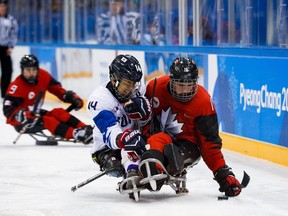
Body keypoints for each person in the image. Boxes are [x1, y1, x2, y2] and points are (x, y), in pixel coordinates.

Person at [140, 57, 242, 197]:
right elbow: (142, 118)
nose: (185, 90)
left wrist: (222, 173)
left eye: (189, 85)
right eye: (180, 85)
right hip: (157, 138)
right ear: (171, 81)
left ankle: (156, 168)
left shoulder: (204, 103)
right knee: (152, 140)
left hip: (187, 146)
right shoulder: (154, 88)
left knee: (172, 155)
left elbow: (210, 143)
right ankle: (148, 167)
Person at [86, 54, 151, 199]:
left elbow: (148, 122)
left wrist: (146, 113)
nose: (131, 89)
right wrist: (124, 138)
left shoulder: (137, 91)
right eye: (127, 84)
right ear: (114, 79)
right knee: (129, 144)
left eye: (134, 83)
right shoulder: (99, 99)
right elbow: (109, 132)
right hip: (106, 150)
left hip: (135, 140)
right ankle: (132, 173)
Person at [3, 54, 93, 144]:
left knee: (59, 112)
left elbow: (56, 89)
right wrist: (22, 114)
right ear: (22, 70)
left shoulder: (43, 76)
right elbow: (7, 110)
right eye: (28, 70)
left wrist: (68, 97)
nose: (31, 73)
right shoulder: (16, 87)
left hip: (37, 113)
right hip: (22, 122)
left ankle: (87, 130)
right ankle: (76, 134)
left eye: (34, 70)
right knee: (47, 120)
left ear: (37, 69)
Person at [0, 0, 18, 99]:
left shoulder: (11, 20)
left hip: (5, 47)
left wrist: (11, 46)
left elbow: (14, 34)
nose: (2, 8)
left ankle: (4, 94)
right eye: (0, 6)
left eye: (3, 6)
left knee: (7, 70)